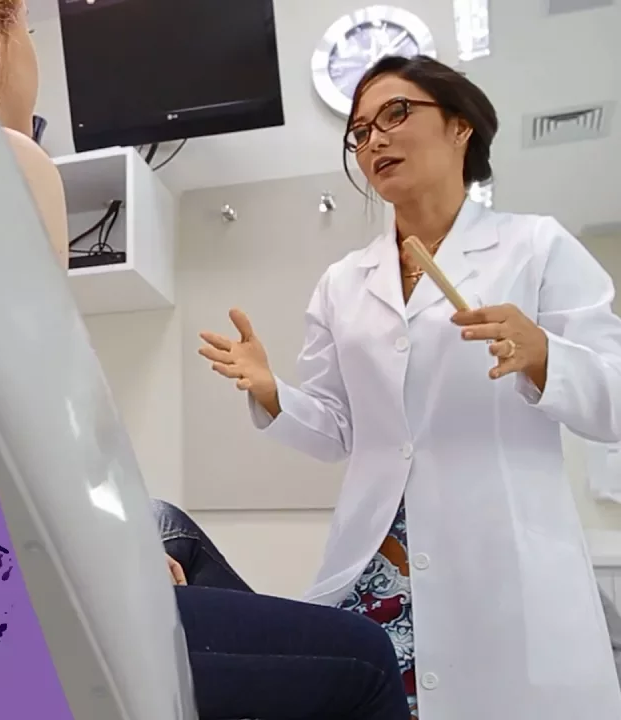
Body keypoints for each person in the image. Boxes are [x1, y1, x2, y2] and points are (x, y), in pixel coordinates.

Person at [0, 1, 410, 717]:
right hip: (6, 597)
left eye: (396, 117)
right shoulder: (7, 160)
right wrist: (118, 552)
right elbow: (32, 425)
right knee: (366, 657)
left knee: (168, 525)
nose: (375, 140)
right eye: (31, 31)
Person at [198, 54, 621, 719]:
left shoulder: (535, 247)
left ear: (460, 126)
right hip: (379, 566)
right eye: (360, 131)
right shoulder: (344, 281)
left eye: (395, 114)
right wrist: (273, 390)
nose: (375, 140)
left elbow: (614, 401)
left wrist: (545, 356)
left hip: (501, 562)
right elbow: (339, 430)